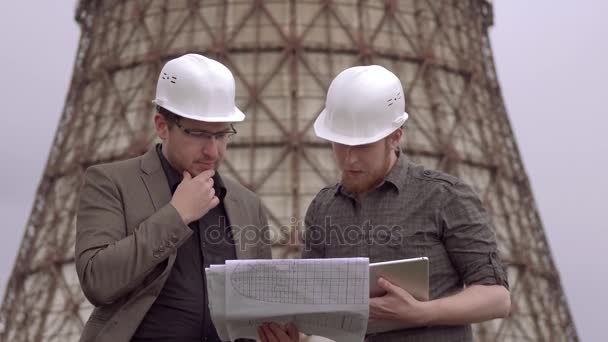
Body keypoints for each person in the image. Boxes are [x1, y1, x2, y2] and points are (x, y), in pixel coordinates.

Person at [259, 65, 510, 342]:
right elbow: (313, 305)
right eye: (340, 144)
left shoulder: (444, 196)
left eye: (363, 146)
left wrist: (422, 313)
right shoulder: (324, 208)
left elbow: (496, 297)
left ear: (395, 137)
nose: (349, 159)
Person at [75, 54, 271, 342]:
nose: (213, 152)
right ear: (162, 125)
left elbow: (261, 304)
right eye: (199, 134)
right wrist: (176, 215)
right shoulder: (110, 183)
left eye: (222, 135)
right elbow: (97, 282)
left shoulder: (246, 205)